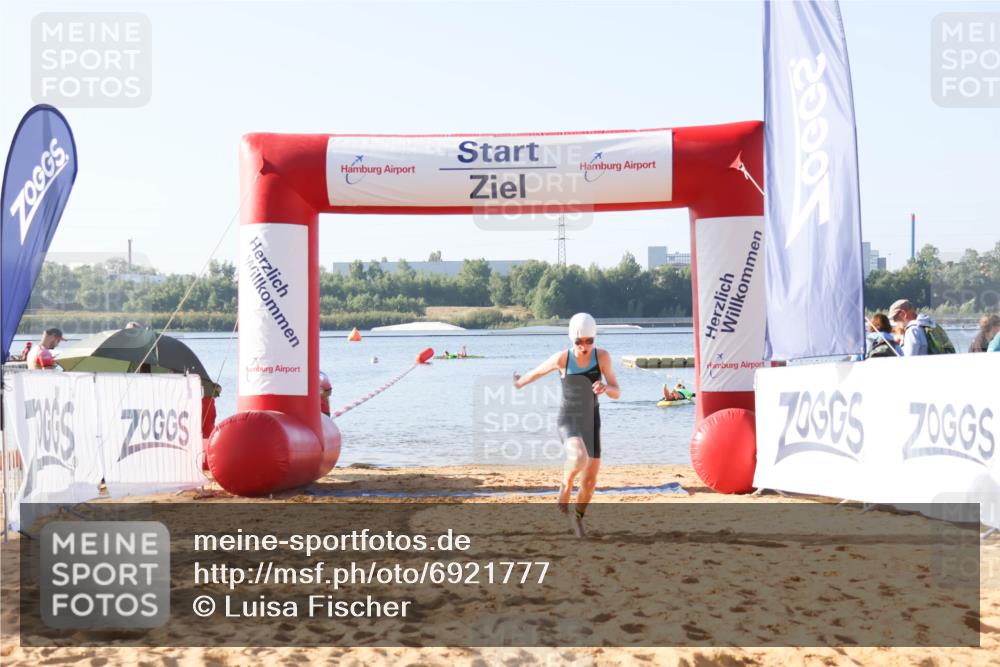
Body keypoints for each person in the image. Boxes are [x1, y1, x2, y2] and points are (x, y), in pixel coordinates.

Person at [513, 313, 620, 537]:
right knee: (579, 458)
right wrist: (519, 383)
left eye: (589, 341)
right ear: (572, 340)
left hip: (592, 421)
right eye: (579, 342)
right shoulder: (562, 359)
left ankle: (578, 518)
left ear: (594, 339)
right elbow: (536, 372)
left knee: (590, 481)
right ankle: (565, 484)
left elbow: (616, 391)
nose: (584, 346)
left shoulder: (602, 357)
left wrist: (605, 388)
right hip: (568, 419)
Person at [888, 299, 955, 356]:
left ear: (903, 314)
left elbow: (908, 360)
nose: (894, 322)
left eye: (894, 318)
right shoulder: (932, 324)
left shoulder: (912, 330)